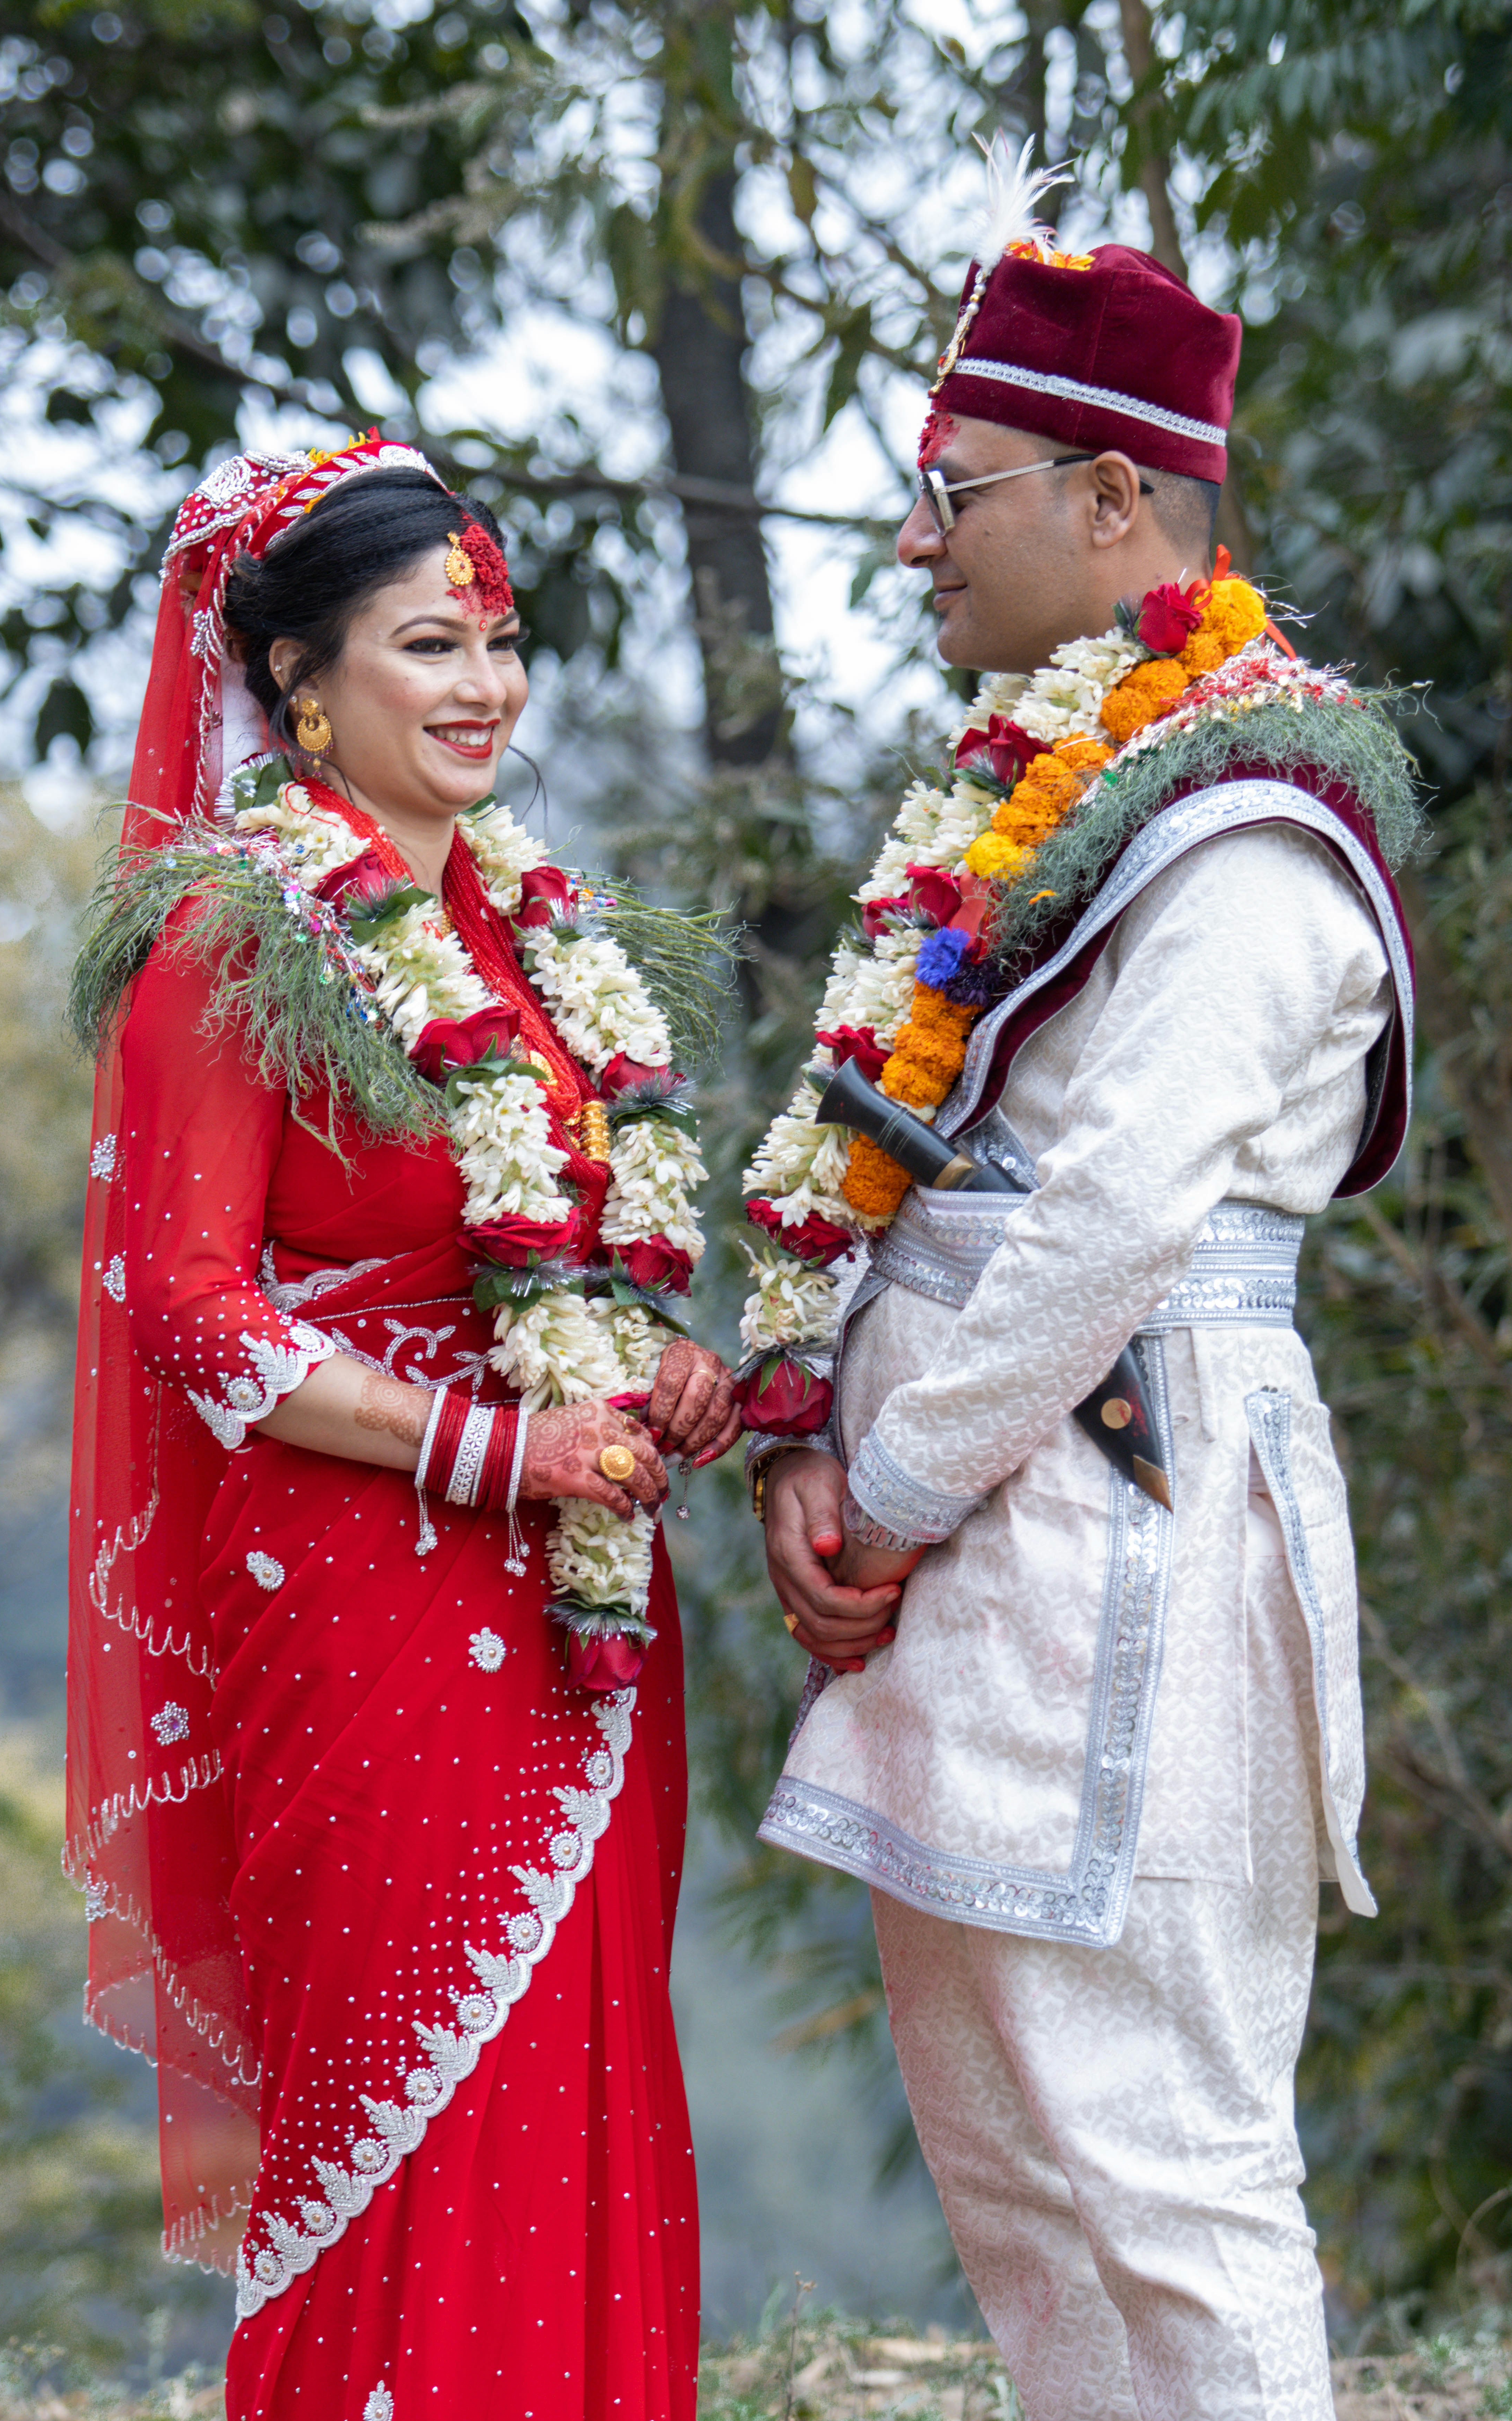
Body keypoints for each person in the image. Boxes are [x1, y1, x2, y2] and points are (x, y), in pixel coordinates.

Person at [736, 158, 1419, 2421]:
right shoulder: (1075, 782)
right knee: (1024, 2177)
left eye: (957, 492)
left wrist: (895, 1488)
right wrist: (824, 1449)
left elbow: (1116, 1207)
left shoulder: (1251, 824)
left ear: (1117, 494)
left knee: (1168, 2168)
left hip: (1132, 1506)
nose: (916, 543)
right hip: (985, 1528)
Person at [65, 434, 740, 2419]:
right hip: (366, 1605)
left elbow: (574, 1245)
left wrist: (658, 1362)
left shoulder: (545, 936)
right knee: (403, 2120)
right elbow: (195, 1309)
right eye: (428, 644)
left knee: (582, 2081)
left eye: (499, 643)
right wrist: (488, 1454)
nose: (485, 688)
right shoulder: (231, 939)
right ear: (295, 682)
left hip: (583, 1602)